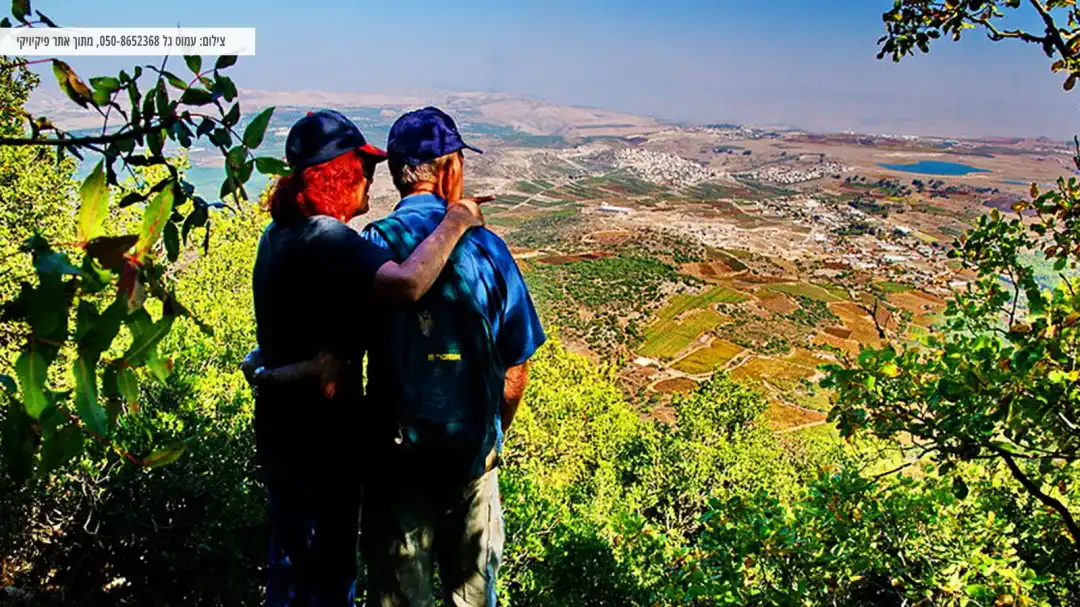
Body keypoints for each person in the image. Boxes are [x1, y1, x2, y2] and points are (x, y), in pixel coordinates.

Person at [247, 109, 489, 607]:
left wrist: (266, 371)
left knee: (289, 566)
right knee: (326, 576)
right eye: (364, 169)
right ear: (339, 174)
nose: (371, 179)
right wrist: (457, 219)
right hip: (322, 444)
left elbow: (296, 337)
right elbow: (406, 283)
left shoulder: (276, 236)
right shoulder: (329, 237)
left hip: (279, 434)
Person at [359, 106, 546, 607]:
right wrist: (491, 435)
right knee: (471, 596)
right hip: (471, 460)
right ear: (448, 169)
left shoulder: (374, 245)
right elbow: (516, 366)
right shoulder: (488, 248)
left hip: (396, 461)